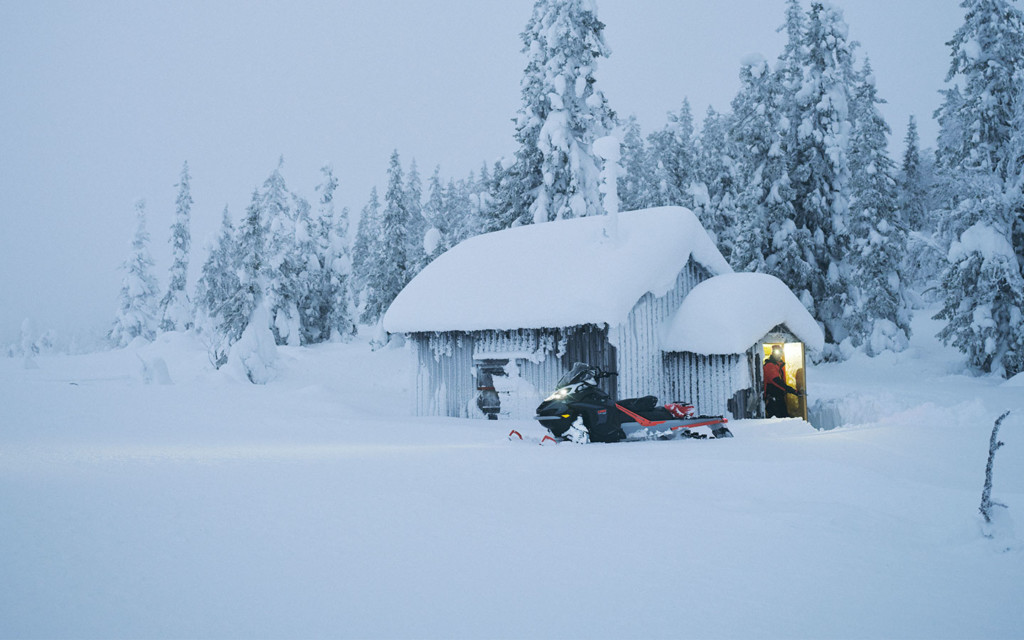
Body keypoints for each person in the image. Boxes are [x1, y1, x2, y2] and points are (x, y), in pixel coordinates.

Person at [763, 345, 802, 418]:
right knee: (778, 420)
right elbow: (777, 382)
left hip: (779, 398)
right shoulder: (770, 366)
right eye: (776, 353)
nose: (779, 355)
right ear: (772, 353)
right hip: (773, 400)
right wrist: (793, 391)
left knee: (784, 419)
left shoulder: (779, 365)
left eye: (780, 353)